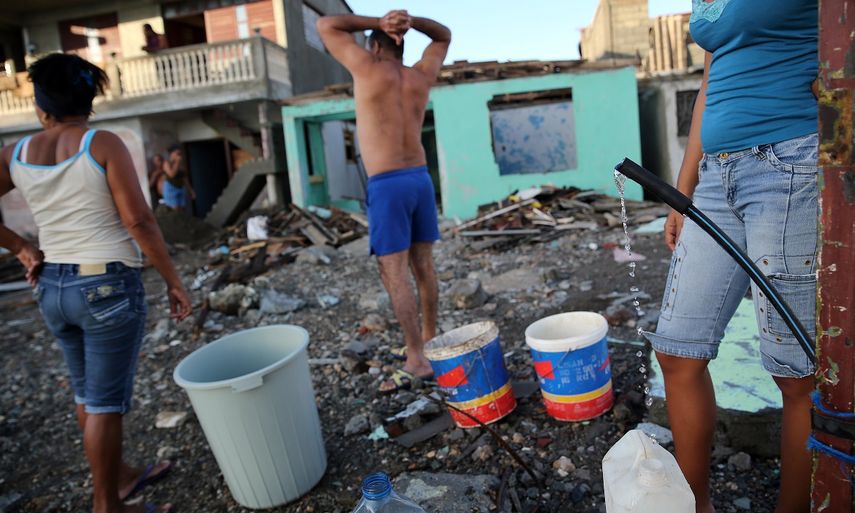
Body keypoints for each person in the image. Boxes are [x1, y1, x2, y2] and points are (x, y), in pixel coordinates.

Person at [643, 1, 818, 512]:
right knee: (677, 351)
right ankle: (696, 503)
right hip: (717, 178)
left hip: (791, 164)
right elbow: (709, 85)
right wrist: (684, 189)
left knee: (797, 375)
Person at [0, 53, 191, 513]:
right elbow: (140, 220)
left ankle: (118, 476)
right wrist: (173, 280)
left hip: (53, 288)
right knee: (104, 401)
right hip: (104, 286)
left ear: (41, 107)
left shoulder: (16, 153)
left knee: (87, 392)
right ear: (89, 101)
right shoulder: (101, 143)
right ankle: (107, 504)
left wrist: (24, 249)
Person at [317, 10, 450, 393]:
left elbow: (326, 25)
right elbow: (443, 35)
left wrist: (380, 20)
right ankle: (429, 337)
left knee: (394, 271)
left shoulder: (367, 66)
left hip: (387, 183)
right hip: (420, 179)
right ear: (401, 44)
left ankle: (415, 356)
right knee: (423, 265)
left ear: (375, 44)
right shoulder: (420, 76)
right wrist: (411, 23)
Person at [160, 145, 195, 211]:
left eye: (180, 154)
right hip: (171, 188)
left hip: (180, 188)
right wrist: (177, 162)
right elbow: (172, 174)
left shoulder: (180, 164)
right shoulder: (167, 163)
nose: (180, 156)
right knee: (175, 210)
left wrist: (191, 190)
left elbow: (184, 178)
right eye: (178, 154)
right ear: (172, 154)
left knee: (182, 209)